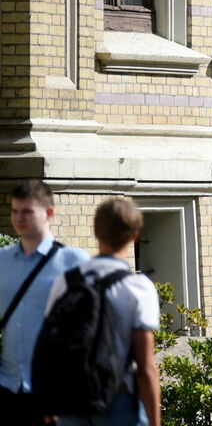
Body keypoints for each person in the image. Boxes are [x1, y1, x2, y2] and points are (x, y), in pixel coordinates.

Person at [44, 196, 161, 426]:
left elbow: (50, 345)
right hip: (117, 401)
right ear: (135, 236)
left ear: (96, 232)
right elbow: (146, 367)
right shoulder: (138, 288)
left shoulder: (66, 282)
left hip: (71, 401)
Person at [0, 181, 89, 425]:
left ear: (49, 213)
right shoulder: (2, 260)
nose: (19, 218)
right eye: (15, 211)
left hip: (53, 390)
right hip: (6, 386)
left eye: (27, 211)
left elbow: (88, 328)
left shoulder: (73, 261)